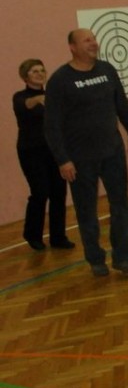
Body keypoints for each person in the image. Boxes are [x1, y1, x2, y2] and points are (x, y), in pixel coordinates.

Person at [44, 29, 128, 277]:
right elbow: (51, 125)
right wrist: (62, 159)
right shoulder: (59, 80)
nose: (93, 43)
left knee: (121, 205)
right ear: (72, 47)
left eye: (94, 39)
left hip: (112, 152)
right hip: (79, 159)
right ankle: (96, 259)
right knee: (86, 211)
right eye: (87, 40)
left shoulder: (107, 70)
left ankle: (123, 257)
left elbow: (122, 103)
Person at [13, 59, 74, 252]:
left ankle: (58, 237)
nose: (40, 74)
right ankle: (33, 235)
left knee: (59, 192)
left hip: (53, 150)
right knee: (40, 192)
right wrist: (38, 99)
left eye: (42, 70)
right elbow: (26, 104)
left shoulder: (52, 96)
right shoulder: (20, 97)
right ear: (25, 77)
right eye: (34, 71)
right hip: (31, 152)